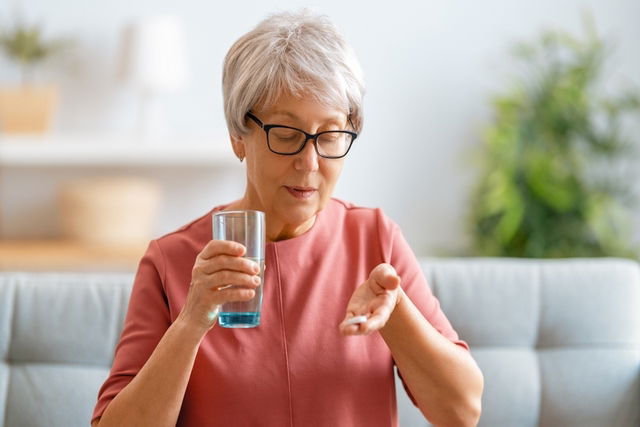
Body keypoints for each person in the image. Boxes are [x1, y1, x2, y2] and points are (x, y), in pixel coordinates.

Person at [92, 10, 483, 427]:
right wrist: (191, 322)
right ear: (238, 137)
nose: (309, 162)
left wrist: (398, 314)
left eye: (330, 134)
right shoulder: (171, 260)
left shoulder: (375, 240)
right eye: (285, 134)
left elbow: (461, 412)